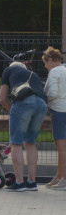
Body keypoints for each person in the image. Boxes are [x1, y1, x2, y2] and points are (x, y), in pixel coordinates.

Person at [0, 60, 47, 192]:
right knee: (31, 142)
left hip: (24, 103)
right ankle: (32, 182)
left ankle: (19, 183)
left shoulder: (8, 70)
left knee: (16, 143)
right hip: (42, 105)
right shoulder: (34, 74)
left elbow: (3, 98)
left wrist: (12, 111)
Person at [42, 47, 66, 190]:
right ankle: (59, 175)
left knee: (61, 146)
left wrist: (46, 97)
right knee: (61, 146)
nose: (45, 66)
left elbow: (52, 93)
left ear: (50, 60)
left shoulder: (54, 72)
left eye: (45, 63)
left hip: (58, 110)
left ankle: (64, 179)